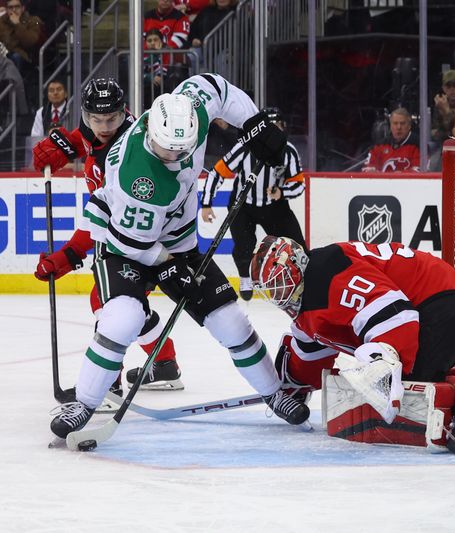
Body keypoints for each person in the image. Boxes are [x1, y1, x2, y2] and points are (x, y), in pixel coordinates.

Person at [48, 74, 310, 440]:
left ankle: (275, 394)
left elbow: (219, 89)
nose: (174, 156)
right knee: (123, 318)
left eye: (181, 149)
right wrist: (168, 266)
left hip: (178, 243)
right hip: (123, 246)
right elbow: (132, 243)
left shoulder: (190, 110)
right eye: (166, 149)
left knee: (230, 320)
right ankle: (85, 402)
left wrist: (255, 123)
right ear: (151, 133)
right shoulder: (139, 176)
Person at [250, 237, 455, 453]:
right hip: (437, 308)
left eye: (280, 283)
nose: (278, 294)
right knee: (408, 385)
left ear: (297, 264)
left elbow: (395, 315)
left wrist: (385, 363)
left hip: (443, 307)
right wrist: (292, 387)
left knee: (402, 390)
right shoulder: (314, 292)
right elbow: (311, 348)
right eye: (271, 289)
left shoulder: (330, 275)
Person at [32, 78, 187, 393]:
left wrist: (67, 256)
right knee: (128, 303)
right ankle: (165, 362)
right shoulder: (100, 130)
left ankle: (107, 381)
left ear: (124, 114)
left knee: (109, 301)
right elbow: (86, 138)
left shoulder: (128, 156)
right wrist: (63, 145)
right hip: (123, 237)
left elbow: (108, 220)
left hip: (145, 238)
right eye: (96, 119)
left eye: (111, 119)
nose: (104, 126)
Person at [201, 106, 306, 301]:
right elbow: (218, 172)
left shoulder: (288, 152)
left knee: (297, 245)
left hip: (275, 208)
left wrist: (281, 192)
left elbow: (299, 186)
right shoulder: (245, 147)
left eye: (278, 126)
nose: (274, 130)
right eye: (271, 126)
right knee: (243, 246)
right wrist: (206, 203)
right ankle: (244, 277)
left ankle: (304, 280)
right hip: (244, 205)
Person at [362, 107, 420, 172]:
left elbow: (419, 170)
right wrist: (372, 171)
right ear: (390, 126)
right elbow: (366, 168)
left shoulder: (418, 145)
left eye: (402, 123)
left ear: (409, 126)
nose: (399, 127)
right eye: (395, 123)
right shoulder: (379, 145)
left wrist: (400, 176)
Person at [0, 0, 43, 74]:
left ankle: (14, 83)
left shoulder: (33, 21)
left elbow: (30, 42)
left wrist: (17, 24)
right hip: (3, 53)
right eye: (10, 7)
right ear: (6, 10)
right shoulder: (2, 22)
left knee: (16, 57)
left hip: (23, 55)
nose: (14, 10)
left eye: (17, 7)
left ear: (23, 8)